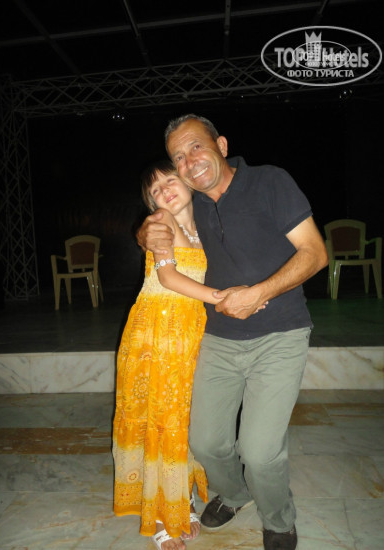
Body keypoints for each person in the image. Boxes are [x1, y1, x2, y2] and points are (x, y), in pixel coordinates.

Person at [136, 114, 329, 550]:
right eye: (178, 157)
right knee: (205, 442)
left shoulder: (269, 182)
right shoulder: (195, 201)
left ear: (221, 146)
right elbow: (162, 218)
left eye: (196, 147)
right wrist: (145, 229)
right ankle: (236, 494)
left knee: (258, 451)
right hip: (220, 338)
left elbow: (316, 254)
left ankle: (278, 519)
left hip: (280, 333)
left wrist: (258, 292)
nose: (189, 162)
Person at [113, 159, 225, 550]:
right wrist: (223, 298)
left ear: (189, 182)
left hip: (189, 335)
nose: (164, 191)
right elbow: (168, 277)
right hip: (156, 336)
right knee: (161, 419)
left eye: (170, 181)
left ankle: (182, 499)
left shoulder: (205, 224)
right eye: (155, 190)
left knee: (185, 419)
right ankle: (162, 513)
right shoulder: (162, 222)